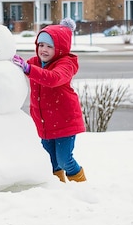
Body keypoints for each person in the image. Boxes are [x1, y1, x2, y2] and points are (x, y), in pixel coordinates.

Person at [12, 18, 86, 183]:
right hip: (45, 123)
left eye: (49, 46)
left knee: (64, 160)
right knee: (49, 162)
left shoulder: (66, 64)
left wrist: (28, 69)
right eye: (41, 45)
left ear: (59, 48)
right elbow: (19, 66)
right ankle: (57, 189)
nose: (43, 50)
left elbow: (53, 78)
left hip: (65, 121)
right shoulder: (35, 62)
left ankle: (81, 186)